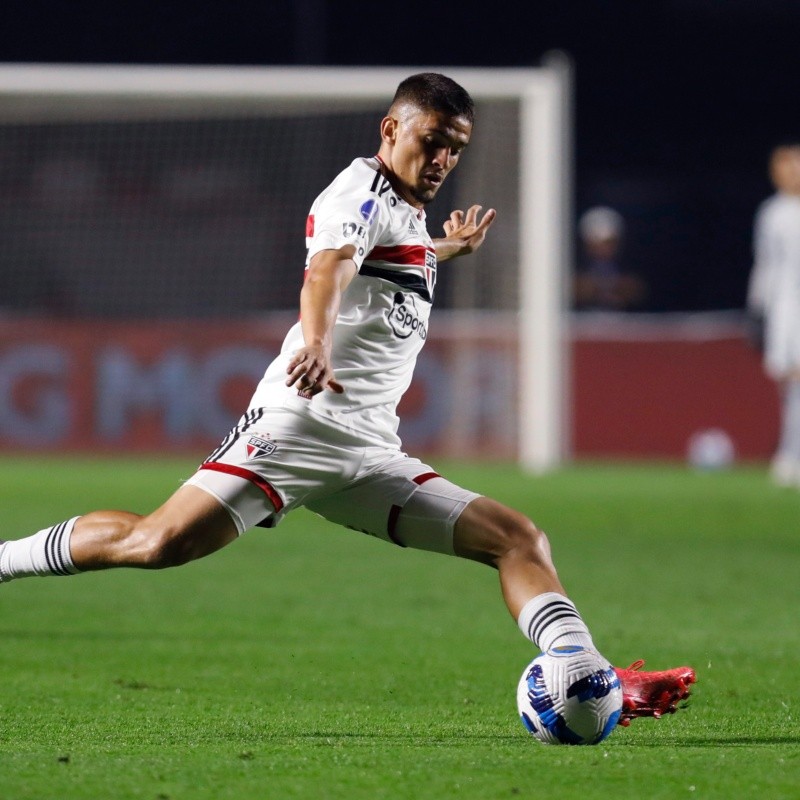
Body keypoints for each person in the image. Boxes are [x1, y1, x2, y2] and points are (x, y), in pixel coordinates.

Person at [0, 73, 694, 731]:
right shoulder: (356, 195)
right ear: (392, 128)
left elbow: (391, 256)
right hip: (301, 427)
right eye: (433, 140)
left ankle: (589, 674)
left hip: (366, 453)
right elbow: (328, 268)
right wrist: (318, 341)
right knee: (157, 542)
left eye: (457, 146)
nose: (445, 157)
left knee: (517, 539)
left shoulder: (404, 214)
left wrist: (443, 248)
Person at [747, 144, 800, 488]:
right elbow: (765, 263)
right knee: (790, 382)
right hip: (785, 306)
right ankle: (790, 453)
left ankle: (789, 456)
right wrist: (757, 307)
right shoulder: (771, 213)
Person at [573, 205, 647, 311]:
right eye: (596, 243)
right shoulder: (575, 266)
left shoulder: (628, 265)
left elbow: (636, 290)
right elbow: (575, 290)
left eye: (609, 242)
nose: (603, 249)